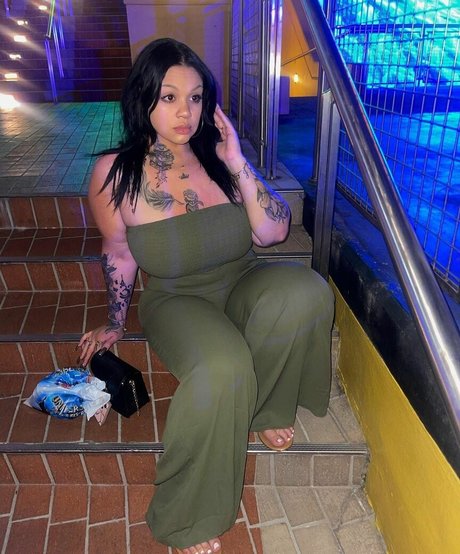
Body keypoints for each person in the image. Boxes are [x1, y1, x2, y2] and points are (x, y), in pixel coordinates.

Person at [78, 37, 334, 554]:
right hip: (176, 299)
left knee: (306, 290)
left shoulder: (218, 159)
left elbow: (273, 233)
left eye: (195, 98)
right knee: (223, 366)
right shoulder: (114, 173)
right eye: (169, 97)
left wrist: (236, 160)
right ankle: (188, 513)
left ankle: (263, 410)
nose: (185, 112)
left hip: (241, 279)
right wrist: (116, 321)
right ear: (144, 98)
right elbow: (119, 252)